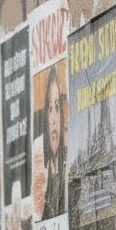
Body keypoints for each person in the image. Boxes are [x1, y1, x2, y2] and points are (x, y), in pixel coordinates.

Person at [38, 63, 67, 220]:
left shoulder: (69, 169)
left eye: (57, 107)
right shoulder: (42, 180)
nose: (54, 119)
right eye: (49, 109)